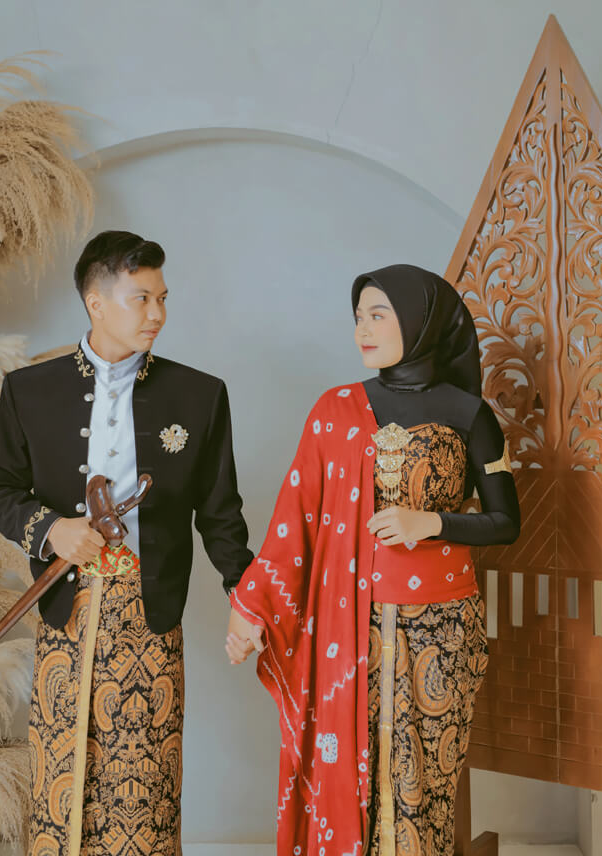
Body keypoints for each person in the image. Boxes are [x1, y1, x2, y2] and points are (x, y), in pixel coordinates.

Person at [226, 263, 520, 856]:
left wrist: (430, 523)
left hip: (443, 630)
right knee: (351, 776)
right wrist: (250, 606)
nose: (362, 329)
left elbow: (506, 521)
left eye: (378, 315)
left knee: (425, 785)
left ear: (418, 320)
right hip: (350, 629)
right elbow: (294, 519)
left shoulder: (469, 413)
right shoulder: (334, 410)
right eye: (358, 316)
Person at [0, 230, 253, 856]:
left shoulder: (200, 394)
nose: (157, 314)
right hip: (66, 612)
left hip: (150, 614)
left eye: (163, 298)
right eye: (141, 299)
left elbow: (220, 514)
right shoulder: (29, 390)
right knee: (63, 772)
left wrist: (246, 593)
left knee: (145, 785)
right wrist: (52, 529)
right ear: (96, 302)